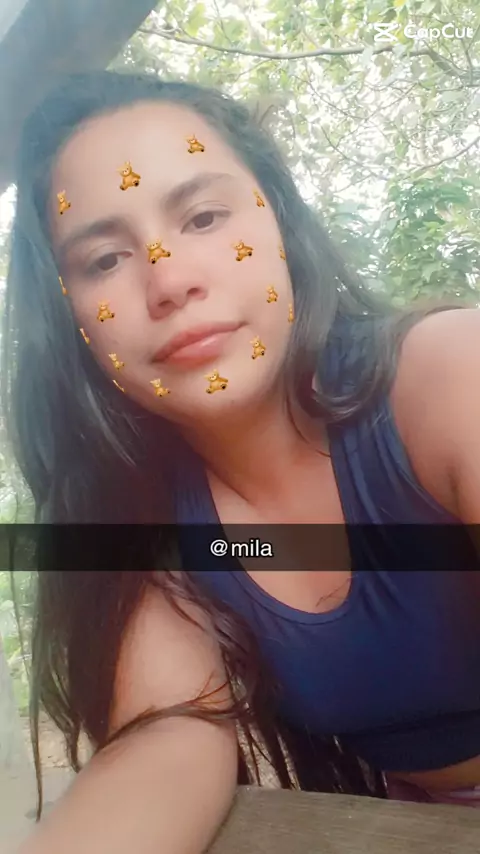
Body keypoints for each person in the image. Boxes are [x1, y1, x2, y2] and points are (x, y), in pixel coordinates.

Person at [3, 70, 480, 854]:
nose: (169, 280)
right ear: (71, 323)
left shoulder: (450, 376)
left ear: (280, 222)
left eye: (203, 217)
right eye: (104, 260)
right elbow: (166, 748)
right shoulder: (158, 526)